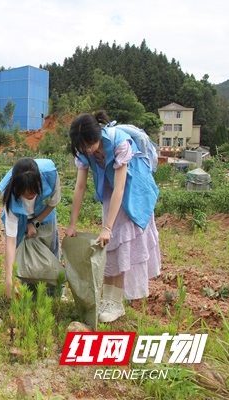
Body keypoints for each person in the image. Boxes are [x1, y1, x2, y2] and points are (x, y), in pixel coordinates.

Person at [65, 110, 161, 323]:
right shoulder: (84, 151)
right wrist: (72, 223)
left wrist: (107, 227)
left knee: (120, 239)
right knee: (110, 244)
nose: (87, 150)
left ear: (98, 134)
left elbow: (120, 188)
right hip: (111, 191)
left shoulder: (120, 142)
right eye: (82, 147)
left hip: (133, 190)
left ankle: (115, 303)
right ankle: (108, 299)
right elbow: (80, 187)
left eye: (89, 144)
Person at [0, 158, 61, 300]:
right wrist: (8, 280)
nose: (30, 195)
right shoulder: (11, 199)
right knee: (22, 255)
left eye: (33, 191)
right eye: (25, 193)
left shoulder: (50, 175)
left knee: (49, 252)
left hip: (45, 214)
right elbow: (11, 242)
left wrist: (36, 223)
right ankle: (27, 294)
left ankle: (54, 296)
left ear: (39, 183)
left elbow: (53, 203)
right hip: (21, 219)